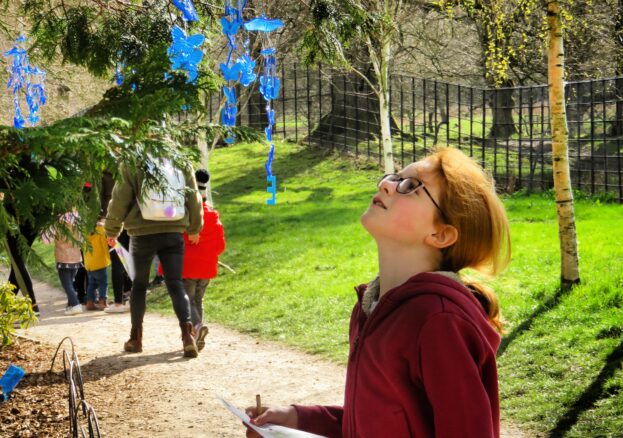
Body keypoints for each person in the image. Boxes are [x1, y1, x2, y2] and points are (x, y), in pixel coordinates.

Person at [244, 147, 511, 438]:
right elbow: (377, 422)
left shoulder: (439, 321)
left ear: (441, 234)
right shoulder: (370, 307)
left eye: (410, 187)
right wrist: (296, 420)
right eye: (394, 177)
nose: (385, 184)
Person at [105, 157, 203, 358]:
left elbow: (120, 198)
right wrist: (194, 227)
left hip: (142, 234)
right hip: (174, 229)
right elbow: (194, 197)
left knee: (139, 286)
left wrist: (112, 229)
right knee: (176, 283)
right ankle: (188, 336)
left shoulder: (133, 161)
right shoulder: (179, 160)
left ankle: (136, 338)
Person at [170, 169, 225, 351]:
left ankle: (198, 327)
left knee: (187, 301)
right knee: (197, 301)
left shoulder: (184, 218)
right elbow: (220, 247)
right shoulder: (214, 219)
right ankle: (197, 338)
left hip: (188, 267)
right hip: (207, 268)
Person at [50, 211, 84, 316]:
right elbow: (82, 239)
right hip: (76, 257)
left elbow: (47, 239)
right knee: (71, 282)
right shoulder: (78, 220)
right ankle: (71, 305)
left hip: (63, 257)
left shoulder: (57, 222)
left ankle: (75, 305)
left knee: (67, 284)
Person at [84, 217, 111, 310]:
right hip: (100, 262)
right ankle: (102, 302)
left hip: (89, 263)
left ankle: (89, 302)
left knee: (91, 284)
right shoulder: (100, 230)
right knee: (103, 283)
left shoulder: (84, 230)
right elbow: (104, 245)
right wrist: (108, 258)